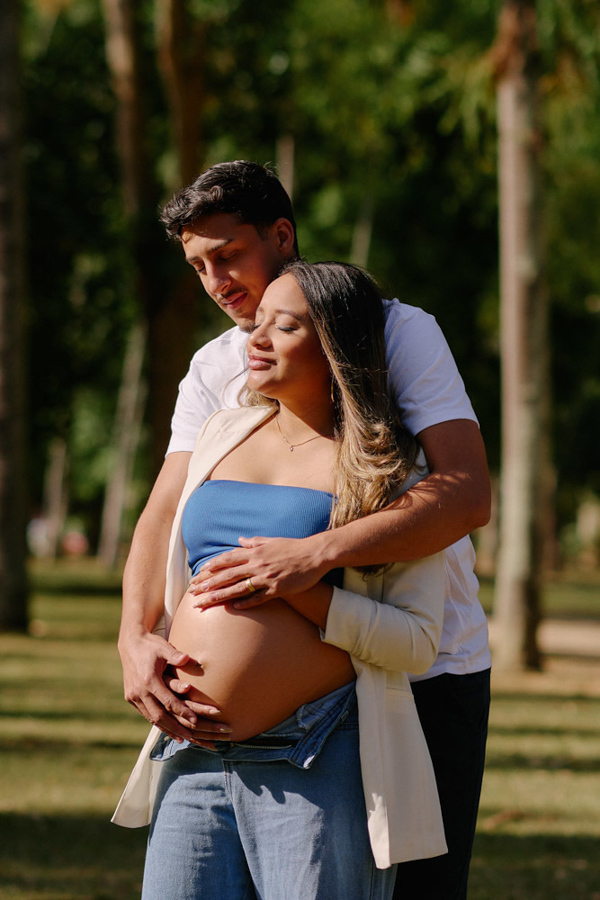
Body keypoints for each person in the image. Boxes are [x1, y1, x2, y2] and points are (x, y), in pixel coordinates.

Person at [118, 161, 492, 899]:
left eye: (228, 255)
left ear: (281, 237)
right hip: (212, 748)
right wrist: (135, 636)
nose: (216, 281)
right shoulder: (216, 367)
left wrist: (310, 560)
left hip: (423, 674)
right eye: (197, 266)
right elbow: (163, 511)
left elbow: (465, 492)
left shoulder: (398, 331)